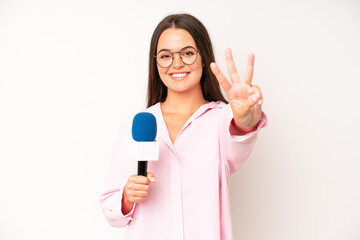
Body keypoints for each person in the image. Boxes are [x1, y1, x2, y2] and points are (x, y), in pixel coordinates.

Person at [99, 13, 267, 240]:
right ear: (155, 61)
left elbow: (242, 131)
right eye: (166, 56)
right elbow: (111, 211)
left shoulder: (220, 120)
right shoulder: (136, 125)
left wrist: (247, 115)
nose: (176, 63)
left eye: (187, 53)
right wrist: (127, 197)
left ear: (203, 57)